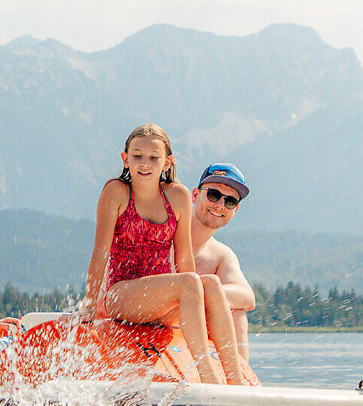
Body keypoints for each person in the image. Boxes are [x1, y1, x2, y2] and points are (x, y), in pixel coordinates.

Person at [85, 124, 248, 385]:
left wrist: (195, 297)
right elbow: (100, 250)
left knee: (212, 284)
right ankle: (209, 379)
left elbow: (184, 259)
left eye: (153, 158)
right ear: (125, 159)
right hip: (121, 296)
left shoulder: (178, 196)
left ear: (167, 162)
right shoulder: (116, 192)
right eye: (137, 156)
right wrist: (90, 303)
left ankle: (237, 383)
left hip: (160, 301)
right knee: (191, 282)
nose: (144, 164)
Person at [189, 163, 255, 368]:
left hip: (186, 334)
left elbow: (247, 297)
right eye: (214, 195)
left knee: (237, 311)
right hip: (144, 326)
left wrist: (197, 293)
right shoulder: (163, 233)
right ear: (195, 195)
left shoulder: (221, 255)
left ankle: (239, 381)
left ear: (236, 209)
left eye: (230, 201)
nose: (220, 205)